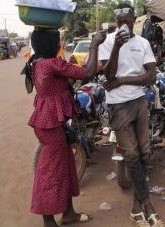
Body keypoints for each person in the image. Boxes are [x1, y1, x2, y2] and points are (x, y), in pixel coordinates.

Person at [27, 28, 106, 227]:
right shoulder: (52, 63)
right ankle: (48, 220)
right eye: (57, 42)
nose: (59, 45)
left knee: (67, 165)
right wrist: (95, 44)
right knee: (50, 171)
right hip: (51, 123)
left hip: (51, 121)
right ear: (50, 45)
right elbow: (87, 72)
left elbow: (60, 83)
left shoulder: (37, 62)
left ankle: (69, 213)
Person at [99, 3, 164, 227]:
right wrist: (116, 47)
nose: (124, 24)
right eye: (120, 21)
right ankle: (147, 204)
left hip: (139, 101)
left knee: (145, 153)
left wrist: (123, 80)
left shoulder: (143, 43)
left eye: (128, 20)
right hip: (118, 105)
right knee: (132, 155)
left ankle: (136, 208)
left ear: (134, 19)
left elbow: (151, 76)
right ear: (116, 22)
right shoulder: (108, 42)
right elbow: (107, 74)